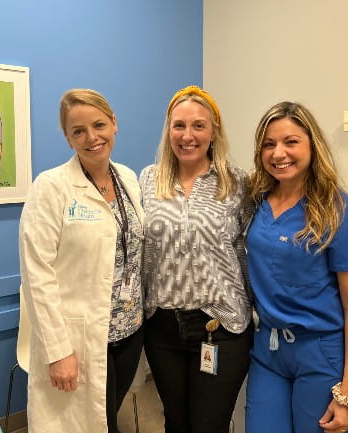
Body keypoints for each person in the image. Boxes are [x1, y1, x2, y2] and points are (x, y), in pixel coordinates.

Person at [19, 89, 144, 433]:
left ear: (114, 123)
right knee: (85, 424)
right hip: (81, 338)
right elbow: (36, 274)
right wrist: (58, 351)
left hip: (129, 332)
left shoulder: (129, 179)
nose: (92, 137)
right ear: (68, 137)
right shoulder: (51, 187)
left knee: (107, 417)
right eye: (78, 131)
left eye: (99, 124)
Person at [244, 101, 348, 433]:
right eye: (269, 145)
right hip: (268, 351)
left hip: (320, 352)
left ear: (313, 145)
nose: (278, 153)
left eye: (291, 142)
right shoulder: (256, 202)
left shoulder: (340, 211)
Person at [140, 85, 253, 433]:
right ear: (168, 130)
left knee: (209, 425)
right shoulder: (146, 180)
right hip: (162, 326)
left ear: (214, 131)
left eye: (198, 126)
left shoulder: (237, 183)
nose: (187, 136)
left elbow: (262, 247)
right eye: (179, 125)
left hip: (221, 325)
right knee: (175, 422)